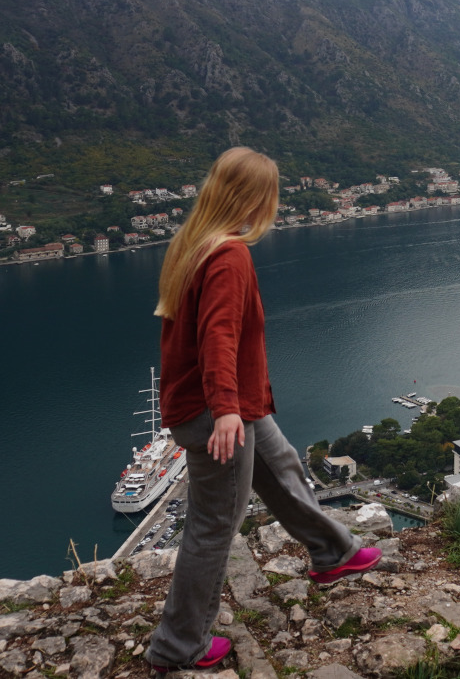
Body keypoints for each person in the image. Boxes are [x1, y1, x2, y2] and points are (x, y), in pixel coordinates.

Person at [145, 147, 379, 674]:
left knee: (284, 468)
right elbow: (218, 337)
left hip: (230, 404)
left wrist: (235, 406)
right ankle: (178, 646)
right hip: (218, 412)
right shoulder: (228, 255)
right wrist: (227, 410)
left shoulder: (194, 244)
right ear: (252, 199)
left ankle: (332, 553)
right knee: (212, 527)